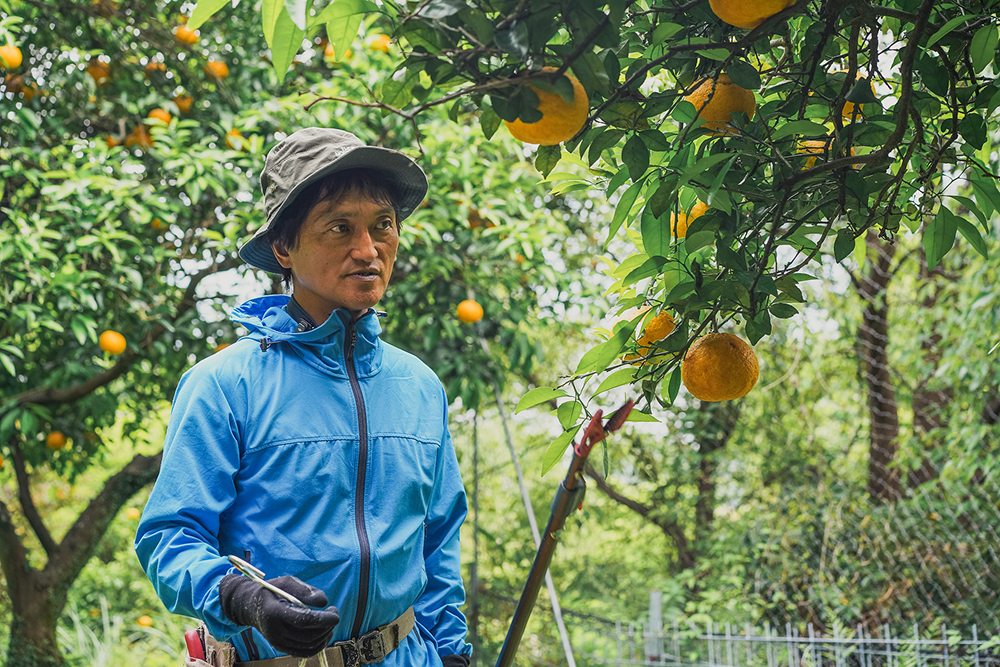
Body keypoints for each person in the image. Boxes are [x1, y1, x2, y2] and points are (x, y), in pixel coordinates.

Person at [135, 128, 473, 667]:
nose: (369, 250)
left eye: (383, 225)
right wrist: (242, 597)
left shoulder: (419, 387)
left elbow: (438, 543)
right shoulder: (224, 385)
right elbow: (168, 538)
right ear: (284, 248)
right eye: (340, 228)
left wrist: (452, 654)